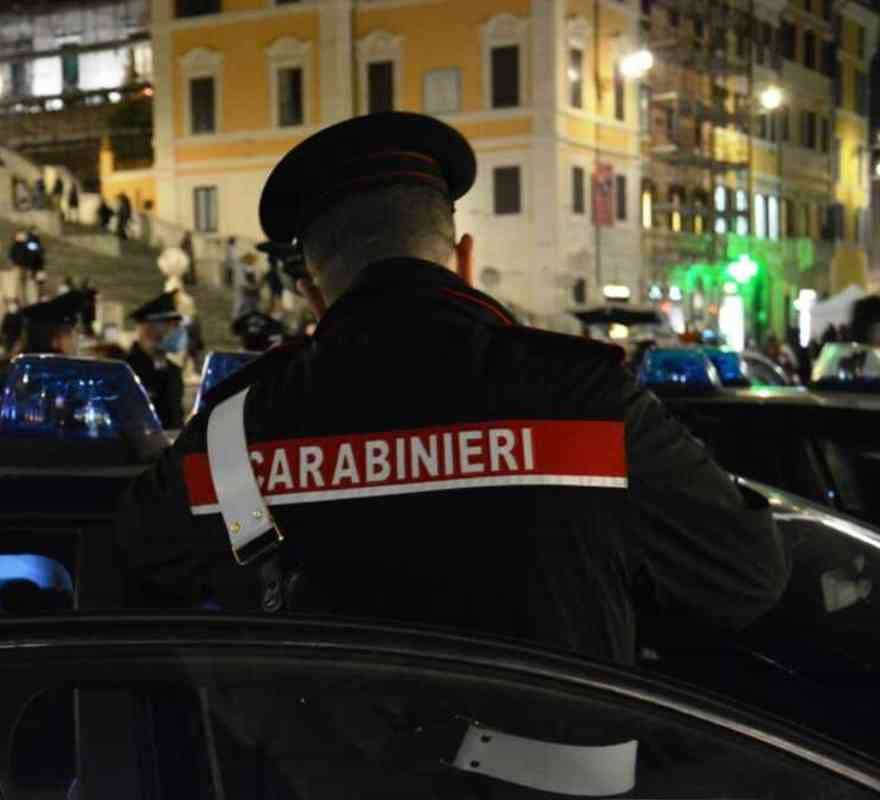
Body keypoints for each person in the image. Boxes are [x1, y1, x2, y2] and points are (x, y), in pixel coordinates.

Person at [119, 112, 787, 667]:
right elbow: (747, 579)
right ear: (464, 259)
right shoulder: (589, 400)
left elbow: (134, 568)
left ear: (312, 295)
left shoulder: (237, 434)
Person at [125, 292, 186, 429]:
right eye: (170, 324)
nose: (177, 331)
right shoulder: (125, 369)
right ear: (148, 328)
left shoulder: (173, 370)